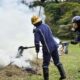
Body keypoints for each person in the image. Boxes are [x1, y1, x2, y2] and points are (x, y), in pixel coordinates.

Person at [31, 15, 66, 80]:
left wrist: (37, 49)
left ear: (34, 23)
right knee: (57, 62)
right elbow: (49, 34)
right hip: (54, 45)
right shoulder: (46, 26)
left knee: (45, 65)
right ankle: (63, 75)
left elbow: (36, 42)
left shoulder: (37, 30)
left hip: (47, 48)